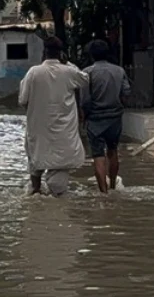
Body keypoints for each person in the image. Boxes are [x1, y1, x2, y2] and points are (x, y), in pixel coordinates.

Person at [18, 36, 87, 196]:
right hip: (63, 129)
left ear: (44, 52)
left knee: (36, 160)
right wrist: (67, 63)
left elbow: (23, 100)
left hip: (38, 126)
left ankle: (36, 191)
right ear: (60, 53)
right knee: (60, 165)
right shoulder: (69, 71)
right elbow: (84, 78)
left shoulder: (33, 72)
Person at [79, 39, 132, 193]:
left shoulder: (87, 73)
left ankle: (103, 192)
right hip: (115, 117)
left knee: (98, 155)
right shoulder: (119, 71)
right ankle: (114, 185)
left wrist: (84, 117)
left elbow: (85, 100)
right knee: (113, 150)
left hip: (95, 119)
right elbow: (126, 93)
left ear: (91, 55)